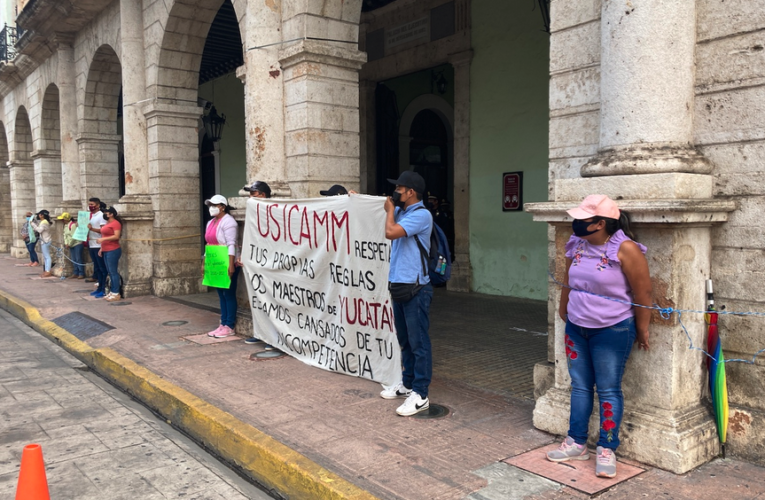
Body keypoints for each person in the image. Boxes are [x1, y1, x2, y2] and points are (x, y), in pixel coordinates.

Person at [546, 194, 652, 479]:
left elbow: (643, 294)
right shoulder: (577, 244)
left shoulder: (626, 250)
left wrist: (642, 329)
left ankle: (607, 447)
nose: (575, 223)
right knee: (580, 386)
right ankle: (576, 441)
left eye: (582, 219)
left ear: (600, 223)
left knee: (608, 389)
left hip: (612, 329)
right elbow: (568, 279)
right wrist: (564, 307)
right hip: (577, 328)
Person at [380, 171, 434, 416]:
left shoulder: (421, 215)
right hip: (399, 285)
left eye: (399, 189)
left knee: (418, 342)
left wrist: (391, 209)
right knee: (404, 340)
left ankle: (421, 393)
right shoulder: (404, 212)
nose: (396, 193)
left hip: (416, 288)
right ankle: (408, 382)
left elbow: (390, 232)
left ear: (411, 192)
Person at [240, 182, 275, 349]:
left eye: (253, 194)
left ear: (262, 195)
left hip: (273, 266)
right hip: (258, 265)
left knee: (273, 303)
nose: (250, 198)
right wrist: (245, 256)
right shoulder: (254, 214)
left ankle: (275, 338)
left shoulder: (276, 211)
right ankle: (261, 334)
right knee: (258, 301)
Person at [203, 195, 240, 338]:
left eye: (215, 204)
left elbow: (231, 244)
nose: (212, 207)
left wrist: (231, 265)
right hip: (215, 262)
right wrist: (204, 263)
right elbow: (209, 245)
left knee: (229, 294)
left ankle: (229, 325)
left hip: (226, 261)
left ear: (223, 206)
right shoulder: (211, 222)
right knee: (220, 294)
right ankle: (223, 323)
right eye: (210, 205)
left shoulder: (229, 222)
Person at [96, 207, 123, 302]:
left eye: (106, 213)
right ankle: (112, 291)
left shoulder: (116, 223)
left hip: (113, 249)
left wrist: (103, 240)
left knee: (113, 271)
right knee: (109, 271)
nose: (104, 214)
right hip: (106, 249)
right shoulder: (108, 223)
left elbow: (116, 236)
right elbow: (105, 235)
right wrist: (102, 247)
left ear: (111, 214)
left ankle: (116, 292)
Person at [86, 198, 109, 298]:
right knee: (97, 269)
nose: (91, 206)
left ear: (98, 205)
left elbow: (103, 230)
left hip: (99, 245)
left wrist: (92, 229)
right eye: (89, 204)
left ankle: (104, 289)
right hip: (92, 244)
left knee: (102, 268)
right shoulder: (92, 216)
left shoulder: (101, 216)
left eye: (92, 204)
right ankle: (99, 287)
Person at [59, 212, 85, 279]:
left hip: (77, 243)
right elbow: (65, 235)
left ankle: (81, 273)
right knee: (73, 259)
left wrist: (69, 244)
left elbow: (74, 236)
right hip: (70, 244)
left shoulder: (72, 225)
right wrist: (66, 243)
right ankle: (75, 272)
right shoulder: (66, 226)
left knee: (78, 258)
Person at [30, 210, 54, 277]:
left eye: (39, 214)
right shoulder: (43, 222)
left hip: (46, 240)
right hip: (44, 240)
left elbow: (39, 230)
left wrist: (32, 224)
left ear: (42, 215)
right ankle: (46, 270)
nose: (38, 216)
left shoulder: (44, 222)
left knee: (47, 257)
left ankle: (48, 271)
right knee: (45, 257)